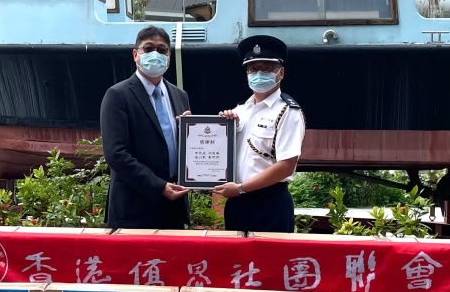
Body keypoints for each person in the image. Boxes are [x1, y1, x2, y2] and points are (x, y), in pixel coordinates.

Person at [100, 25, 192, 229]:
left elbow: (186, 149)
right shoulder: (118, 95)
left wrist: (191, 132)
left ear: (169, 57)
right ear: (136, 55)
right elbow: (116, 154)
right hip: (134, 207)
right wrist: (159, 186)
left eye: (162, 50)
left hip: (174, 207)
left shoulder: (179, 95)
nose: (155, 54)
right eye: (148, 48)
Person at [213, 35, 306, 232]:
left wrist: (240, 188)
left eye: (267, 68)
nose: (259, 73)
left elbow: (286, 166)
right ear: (247, 73)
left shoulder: (288, 112)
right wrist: (218, 126)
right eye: (254, 69)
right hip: (237, 203)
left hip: (270, 204)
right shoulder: (239, 111)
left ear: (281, 73)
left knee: (270, 253)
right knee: (235, 253)